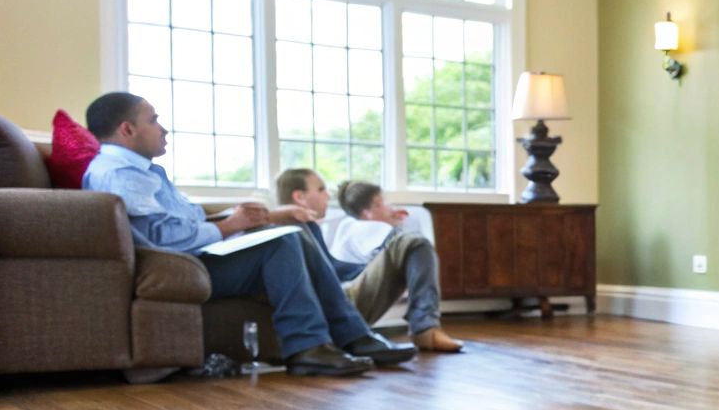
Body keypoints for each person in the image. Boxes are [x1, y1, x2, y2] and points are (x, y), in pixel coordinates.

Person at [81, 92, 415, 376]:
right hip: (178, 265)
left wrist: (243, 218)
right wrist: (229, 226)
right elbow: (163, 236)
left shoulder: (142, 171)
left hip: (194, 256)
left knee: (290, 234)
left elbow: (185, 219)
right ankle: (310, 346)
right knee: (283, 242)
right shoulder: (121, 174)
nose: (163, 129)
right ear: (127, 129)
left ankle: (352, 336)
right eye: (153, 120)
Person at [274, 170, 463, 353]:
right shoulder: (293, 231)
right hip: (333, 310)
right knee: (414, 243)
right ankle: (425, 328)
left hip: (338, 301)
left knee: (413, 244)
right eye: (321, 189)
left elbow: (329, 270)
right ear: (299, 197)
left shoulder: (308, 227)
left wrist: (374, 269)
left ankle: (425, 327)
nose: (327, 195)